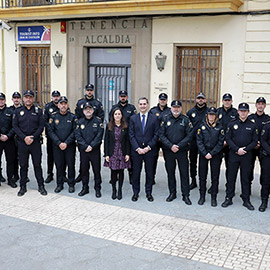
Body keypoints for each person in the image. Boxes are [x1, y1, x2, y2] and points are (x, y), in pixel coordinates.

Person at [221, 102, 258, 210]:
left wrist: (245, 150)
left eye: (245, 111)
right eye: (241, 111)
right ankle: (229, 197)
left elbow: (255, 141)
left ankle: (246, 200)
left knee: (245, 178)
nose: (243, 113)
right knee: (231, 177)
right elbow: (228, 139)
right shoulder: (232, 124)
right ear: (238, 112)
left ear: (248, 112)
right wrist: (237, 149)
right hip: (234, 154)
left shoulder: (252, 125)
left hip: (246, 155)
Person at [13, 90, 47, 196]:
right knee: (23, 166)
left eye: (30, 97)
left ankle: (41, 186)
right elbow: (15, 126)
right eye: (26, 97)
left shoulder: (38, 111)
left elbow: (41, 126)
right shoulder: (18, 111)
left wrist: (32, 137)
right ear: (23, 99)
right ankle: (23, 187)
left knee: (37, 165)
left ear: (33, 99)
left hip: (35, 142)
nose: (28, 99)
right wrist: (24, 138)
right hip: (22, 143)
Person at [159, 100, 193, 205]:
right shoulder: (165, 119)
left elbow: (189, 135)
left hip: (181, 151)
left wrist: (179, 145)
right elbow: (161, 135)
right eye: (174, 107)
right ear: (171, 108)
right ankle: (172, 193)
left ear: (181, 108)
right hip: (168, 151)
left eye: (178, 107)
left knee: (184, 174)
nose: (176, 109)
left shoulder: (186, 120)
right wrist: (171, 146)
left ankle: (186, 195)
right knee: (170, 173)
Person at [129, 97, 159, 202]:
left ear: (148, 105)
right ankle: (135, 193)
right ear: (138, 105)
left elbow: (156, 134)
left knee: (149, 173)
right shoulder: (133, 118)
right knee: (136, 173)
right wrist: (137, 148)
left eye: (144, 104)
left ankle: (149, 193)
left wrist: (148, 147)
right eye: (140, 104)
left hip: (149, 151)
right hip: (136, 151)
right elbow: (131, 135)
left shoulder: (154, 118)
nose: (142, 106)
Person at [75, 83, 104, 183]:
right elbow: (77, 117)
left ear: (93, 91)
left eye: (91, 90)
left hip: (94, 138)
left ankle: (97, 186)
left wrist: (92, 144)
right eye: (87, 90)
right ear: (85, 91)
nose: (89, 91)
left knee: (96, 166)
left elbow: (101, 118)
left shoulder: (97, 103)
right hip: (83, 135)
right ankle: (81, 176)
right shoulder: (80, 103)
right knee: (83, 162)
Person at [47, 96, 76, 193]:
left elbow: (75, 131)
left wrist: (66, 142)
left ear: (67, 105)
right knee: (59, 166)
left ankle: (71, 184)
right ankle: (59, 184)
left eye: (65, 104)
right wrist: (59, 143)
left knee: (71, 165)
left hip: (70, 146)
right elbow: (50, 131)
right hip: (57, 146)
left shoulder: (72, 117)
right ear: (58, 105)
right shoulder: (53, 116)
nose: (63, 106)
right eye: (61, 104)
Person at [196, 107, 225, 207]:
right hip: (204, 154)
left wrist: (212, 153)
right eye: (210, 114)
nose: (211, 116)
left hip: (215, 154)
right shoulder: (202, 126)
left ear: (216, 116)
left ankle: (214, 197)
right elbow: (199, 141)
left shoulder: (220, 127)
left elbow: (220, 142)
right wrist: (205, 153)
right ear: (207, 115)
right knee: (202, 176)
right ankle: (202, 196)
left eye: (213, 114)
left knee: (215, 177)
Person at [109, 90, 136, 184]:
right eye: (121, 96)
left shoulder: (131, 108)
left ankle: (131, 176)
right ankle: (114, 176)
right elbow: (110, 119)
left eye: (124, 96)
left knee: (129, 157)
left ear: (127, 97)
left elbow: (134, 122)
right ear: (119, 97)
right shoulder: (114, 108)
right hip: (117, 134)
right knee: (115, 156)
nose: (123, 98)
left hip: (128, 135)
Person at [104, 108, 131, 200]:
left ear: (122, 115)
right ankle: (114, 190)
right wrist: (106, 154)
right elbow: (106, 141)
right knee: (113, 172)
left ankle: (120, 190)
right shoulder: (109, 126)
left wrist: (127, 153)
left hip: (122, 152)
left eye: (119, 114)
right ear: (113, 116)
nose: (117, 116)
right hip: (113, 152)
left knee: (121, 172)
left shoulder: (125, 126)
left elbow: (128, 141)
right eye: (116, 114)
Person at [248, 97, 270, 194]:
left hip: (263, 149)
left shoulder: (268, 119)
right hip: (251, 148)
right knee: (248, 169)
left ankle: (264, 191)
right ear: (256, 105)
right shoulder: (250, 118)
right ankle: (247, 191)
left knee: (265, 171)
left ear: (265, 106)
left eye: (262, 104)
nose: (260, 106)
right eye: (259, 104)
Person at [186, 92, 208, 190]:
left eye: (202, 98)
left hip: (205, 141)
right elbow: (187, 127)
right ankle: (193, 180)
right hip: (194, 141)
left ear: (205, 100)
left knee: (204, 162)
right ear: (196, 100)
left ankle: (203, 182)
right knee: (193, 161)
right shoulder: (191, 112)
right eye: (199, 98)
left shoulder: (209, 112)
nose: (200, 100)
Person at [217, 93, 238, 189]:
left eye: (229, 100)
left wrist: (228, 142)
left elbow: (238, 130)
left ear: (231, 101)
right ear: (222, 101)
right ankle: (214, 185)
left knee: (230, 168)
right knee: (216, 166)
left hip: (230, 145)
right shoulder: (217, 112)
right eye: (225, 100)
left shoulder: (235, 113)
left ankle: (229, 185)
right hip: (219, 144)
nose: (227, 102)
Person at [150, 93, 171, 184]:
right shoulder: (153, 111)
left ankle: (170, 179)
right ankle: (151, 178)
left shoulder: (170, 111)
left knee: (168, 160)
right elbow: (150, 125)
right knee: (153, 159)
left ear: (166, 100)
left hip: (166, 140)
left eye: (164, 99)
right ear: (158, 100)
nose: (162, 101)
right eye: (161, 99)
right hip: (155, 139)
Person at [44, 90, 61, 184]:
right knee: (50, 156)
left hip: (61, 137)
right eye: (54, 96)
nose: (56, 98)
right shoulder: (48, 107)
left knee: (62, 157)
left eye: (57, 96)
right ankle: (50, 174)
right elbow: (45, 121)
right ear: (52, 97)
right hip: (51, 137)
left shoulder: (63, 105)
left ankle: (63, 174)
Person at [0, 93, 16, 188]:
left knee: (10, 161)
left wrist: (8, 136)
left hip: (9, 140)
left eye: (2, 99)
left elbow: (14, 126)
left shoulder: (10, 111)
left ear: (5, 100)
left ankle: (10, 179)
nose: (1, 101)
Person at [10, 91, 22, 182]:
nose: (16, 99)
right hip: (11, 138)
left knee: (22, 158)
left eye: (18, 98)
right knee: (13, 157)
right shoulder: (9, 110)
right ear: (12, 99)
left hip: (21, 138)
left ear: (20, 99)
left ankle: (23, 175)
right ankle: (15, 174)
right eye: (15, 98)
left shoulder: (24, 109)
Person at [260, 122, 270, 212]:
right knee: (266, 180)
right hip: (268, 157)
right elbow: (263, 140)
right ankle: (264, 201)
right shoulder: (267, 126)